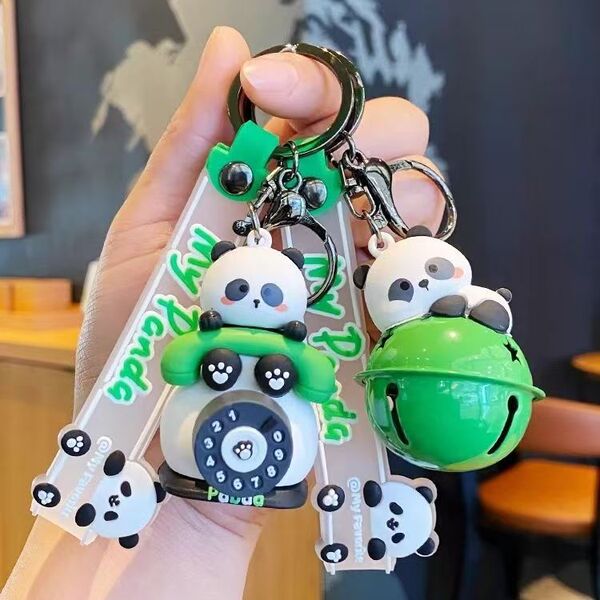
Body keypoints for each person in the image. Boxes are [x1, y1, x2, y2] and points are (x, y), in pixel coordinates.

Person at [1, 27, 444, 600]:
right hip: (178, 459)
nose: (256, 301)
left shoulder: (294, 342)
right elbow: (175, 362)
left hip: (250, 460)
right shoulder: (203, 322)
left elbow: (319, 380)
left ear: (298, 288)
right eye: (239, 288)